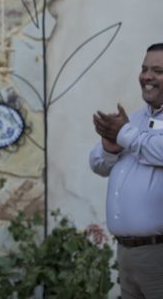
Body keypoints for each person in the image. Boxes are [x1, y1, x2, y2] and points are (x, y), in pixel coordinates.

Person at [89, 43, 163, 299]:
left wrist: (123, 133)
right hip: (126, 252)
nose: (147, 76)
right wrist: (110, 147)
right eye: (144, 69)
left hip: (158, 254)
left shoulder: (128, 128)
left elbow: (159, 149)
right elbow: (98, 165)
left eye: (157, 70)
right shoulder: (135, 120)